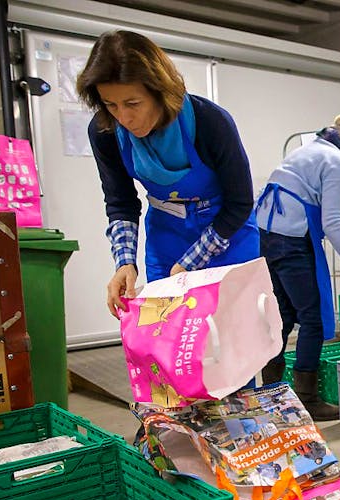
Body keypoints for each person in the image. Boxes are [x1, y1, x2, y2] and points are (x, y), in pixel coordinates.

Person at [78, 30, 259, 316]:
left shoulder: (210, 122)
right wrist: (125, 262)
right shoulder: (106, 131)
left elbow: (240, 203)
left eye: (133, 103)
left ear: (159, 92)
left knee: (231, 332)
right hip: (167, 234)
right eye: (111, 105)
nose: (124, 118)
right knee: (168, 332)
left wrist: (189, 264)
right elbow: (121, 203)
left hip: (227, 232)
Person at [256, 110, 340, 420]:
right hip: (291, 241)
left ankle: (270, 394)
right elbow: (332, 223)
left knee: (283, 316)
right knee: (312, 318)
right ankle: (307, 398)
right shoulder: (338, 163)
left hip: (266, 236)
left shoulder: (310, 148)